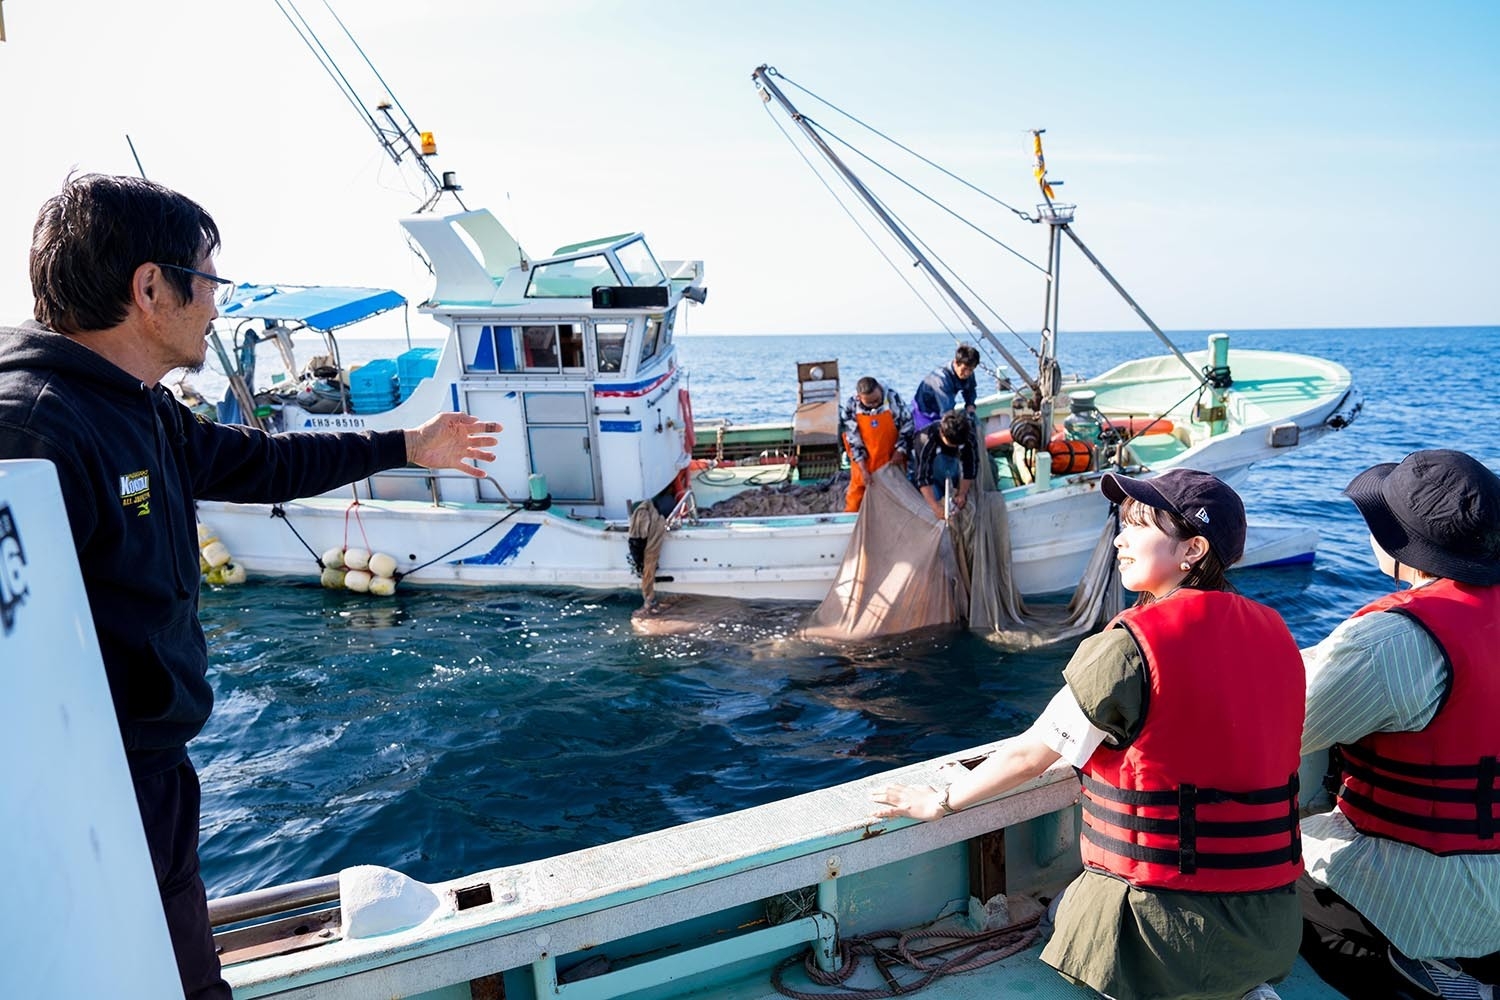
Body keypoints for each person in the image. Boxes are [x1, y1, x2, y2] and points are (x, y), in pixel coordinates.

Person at [0, 174, 502, 1000]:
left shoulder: (139, 408)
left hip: (151, 784)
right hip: (88, 806)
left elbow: (260, 462)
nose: (215, 304)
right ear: (151, 287)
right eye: (209, 280)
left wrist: (406, 446)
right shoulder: (35, 428)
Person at [872, 469, 1306, 1000]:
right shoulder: (1275, 631)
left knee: (1063, 915)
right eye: (1122, 523)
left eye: (1138, 525)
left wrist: (941, 799)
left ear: (1193, 549)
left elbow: (1034, 753)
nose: (1120, 539)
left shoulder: (1131, 647)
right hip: (1270, 924)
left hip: (1162, 932)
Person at [1298, 449, 1500, 1000]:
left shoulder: (1388, 642)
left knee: (1261, 881)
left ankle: (1427, 969)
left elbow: (1279, 732)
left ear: (1400, 546)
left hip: (1443, 902)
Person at [840, 375, 914, 512]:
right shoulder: (851, 406)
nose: (874, 405)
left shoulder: (893, 399)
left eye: (877, 400)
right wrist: (863, 469)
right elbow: (853, 440)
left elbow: (908, 425)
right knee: (856, 499)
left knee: (896, 500)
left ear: (880, 390)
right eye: (869, 403)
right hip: (865, 462)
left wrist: (900, 450)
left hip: (892, 460)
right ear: (859, 397)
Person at [911, 410, 977, 520]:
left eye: (958, 444)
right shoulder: (925, 439)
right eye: (951, 443)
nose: (954, 446)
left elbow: (969, 467)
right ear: (941, 432)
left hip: (955, 471)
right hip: (932, 477)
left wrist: (962, 494)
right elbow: (922, 477)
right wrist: (935, 507)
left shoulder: (968, 436)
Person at [911, 342, 979, 432]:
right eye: (964, 369)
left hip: (943, 409)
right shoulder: (941, 379)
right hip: (924, 412)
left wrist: (970, 405)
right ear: (955, 363)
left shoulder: (969, 373)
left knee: (975, 422)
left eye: (971, 370)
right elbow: (947, 412)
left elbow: (970, 390)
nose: (967, 373)